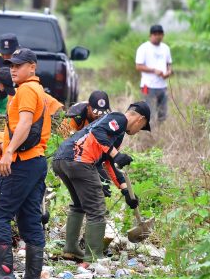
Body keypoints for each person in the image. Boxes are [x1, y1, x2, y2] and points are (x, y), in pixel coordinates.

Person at [0, 48, 51, 279]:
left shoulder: (26, 90)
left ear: (32, 67)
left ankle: (3, 275)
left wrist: (9, 152)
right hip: (36, 161)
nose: (13, 69)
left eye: (19, 65)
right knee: (29, 217)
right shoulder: (37, 89)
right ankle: (32, 277)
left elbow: (24, 123)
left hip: (22, 161)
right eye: (11, 65)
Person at [52, 102, 149, 263]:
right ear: (140, 119)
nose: (138, 131)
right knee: (96, 208)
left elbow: (109, 162)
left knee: (79, 204)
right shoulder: (118, 119)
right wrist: (116, 154)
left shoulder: (115, 133)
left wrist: (125, 190)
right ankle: (94, 255)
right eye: (143, 127)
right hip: (79, 160)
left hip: (62, 160)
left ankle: (70, 249)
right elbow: (98, 133)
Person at [135, 24, 172, 124]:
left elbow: (169, 64)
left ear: (163, 35)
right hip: (148, 85)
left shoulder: (166, 48)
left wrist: (168, 72)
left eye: (160, 34)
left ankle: (160, 135)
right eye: (155, 34)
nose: (158, 36)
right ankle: (149, 137)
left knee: (163, 114)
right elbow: (138, 66)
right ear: (150, 35)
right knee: (150, 113)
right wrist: (154, 70)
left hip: (162, 86)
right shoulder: (144, 48)